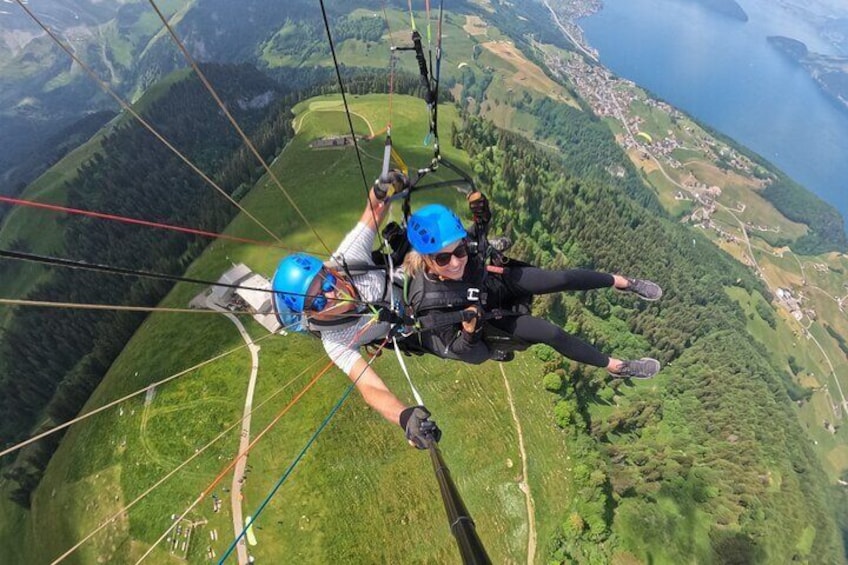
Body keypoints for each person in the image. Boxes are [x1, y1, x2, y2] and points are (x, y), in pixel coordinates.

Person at [403, 193, 663, 378]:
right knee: (551, 334)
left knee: (560, 279)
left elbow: (477, 235)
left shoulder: (460, 246)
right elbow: (466, 353)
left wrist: (482, 213)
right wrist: (470, 332)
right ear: (425, 258)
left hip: (495, 281)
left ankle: (622, 282)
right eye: (443, 258)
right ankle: (617, 367)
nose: (456, 262)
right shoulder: (429, 303)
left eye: (459, 250)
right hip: (489, 318)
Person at [271, 172, 440, 449]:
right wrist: (404, 417)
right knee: (462, 349)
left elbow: (373, 212)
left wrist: (381, 189)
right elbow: (369, 387)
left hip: (410, 280)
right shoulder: (335, 341)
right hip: (408, 328)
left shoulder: (347, 260)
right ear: (311, 317)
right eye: (317, 302)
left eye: (324, 280)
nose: (330, 293)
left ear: (328, 270)